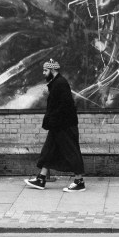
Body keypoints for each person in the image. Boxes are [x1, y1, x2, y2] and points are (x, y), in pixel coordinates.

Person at [25, 59, 86, 192]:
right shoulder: (56, 83)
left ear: (52, 70)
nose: (44, 73)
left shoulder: (60, 83)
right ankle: (41, 179)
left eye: (46, 70)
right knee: (48, 150)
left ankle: (79, 181)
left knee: (72, 152)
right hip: (58, 125)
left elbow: (65, 106)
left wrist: (52, 119)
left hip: (65, 125)